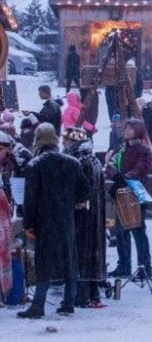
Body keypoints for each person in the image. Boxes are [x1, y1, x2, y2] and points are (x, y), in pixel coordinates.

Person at [19, 123, 87, 318]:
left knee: (44, 261)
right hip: (66, 219)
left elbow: (30, 198)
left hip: (44, 220)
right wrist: (69, 200)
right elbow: (84, 191)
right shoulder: (72, 163)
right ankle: (69, 303)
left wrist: (28, 224)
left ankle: (38, 305)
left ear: (38, 140)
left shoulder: (35, 165)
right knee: (69, 259)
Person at [104, 118, 152, 279]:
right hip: (121, 192)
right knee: (120, 232)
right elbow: (109, 165)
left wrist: (125, 177)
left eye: (130, 129)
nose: (126, 131)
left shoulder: (143, 150)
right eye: (126, 129)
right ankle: (123, 265)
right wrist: (115, 175)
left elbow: (140, 170)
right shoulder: (121, 148)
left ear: (138, 131)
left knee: (138, 233)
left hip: (135, 194)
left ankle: (144, 267)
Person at [63, 127, 106, 308]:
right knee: (93, 253)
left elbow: (81, 190)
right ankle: (93, 292)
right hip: (95, 215)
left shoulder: (80, 162)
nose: (64, 145)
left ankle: (82, 295)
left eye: (67, 141)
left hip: (82, 215)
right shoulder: (94, 160)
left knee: (81, 254)